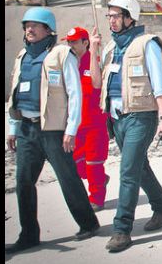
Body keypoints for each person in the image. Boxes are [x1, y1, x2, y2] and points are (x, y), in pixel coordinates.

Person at [6, 8, 100, 254]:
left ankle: (88, 223)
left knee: (68, 177)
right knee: (24, 181)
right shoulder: (22, 56)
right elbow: (15, 93)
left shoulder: (61, 54)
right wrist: (13, 127)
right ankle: (29, 234)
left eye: (36, 25)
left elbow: (75, 93)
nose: (30, 29)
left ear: (48, 29)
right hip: (27, 129)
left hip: (54, 131)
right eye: (27, 25)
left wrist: (71, 129)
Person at [100, 0, 162, 252]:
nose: (111, 20)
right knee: (140, 167)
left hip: (141, 117)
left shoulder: (147, 44)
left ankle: (122, 229)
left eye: (116, 16)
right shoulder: (110, 48)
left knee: (128, 171)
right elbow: (100, 84)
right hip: (116, 118)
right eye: (109, 15)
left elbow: (159, 83)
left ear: (129, 17)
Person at [62, 26, 110, 212]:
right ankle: (101, 179)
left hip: (95, 124)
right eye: (69, 42)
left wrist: (93, 52)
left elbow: (97, 83)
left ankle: (96, 198)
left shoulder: (94, 62)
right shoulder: (68, 63)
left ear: (85, 42)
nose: (71, 45)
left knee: (93, 163)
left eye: (74, 41)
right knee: (77, 164)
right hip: (75, 125)